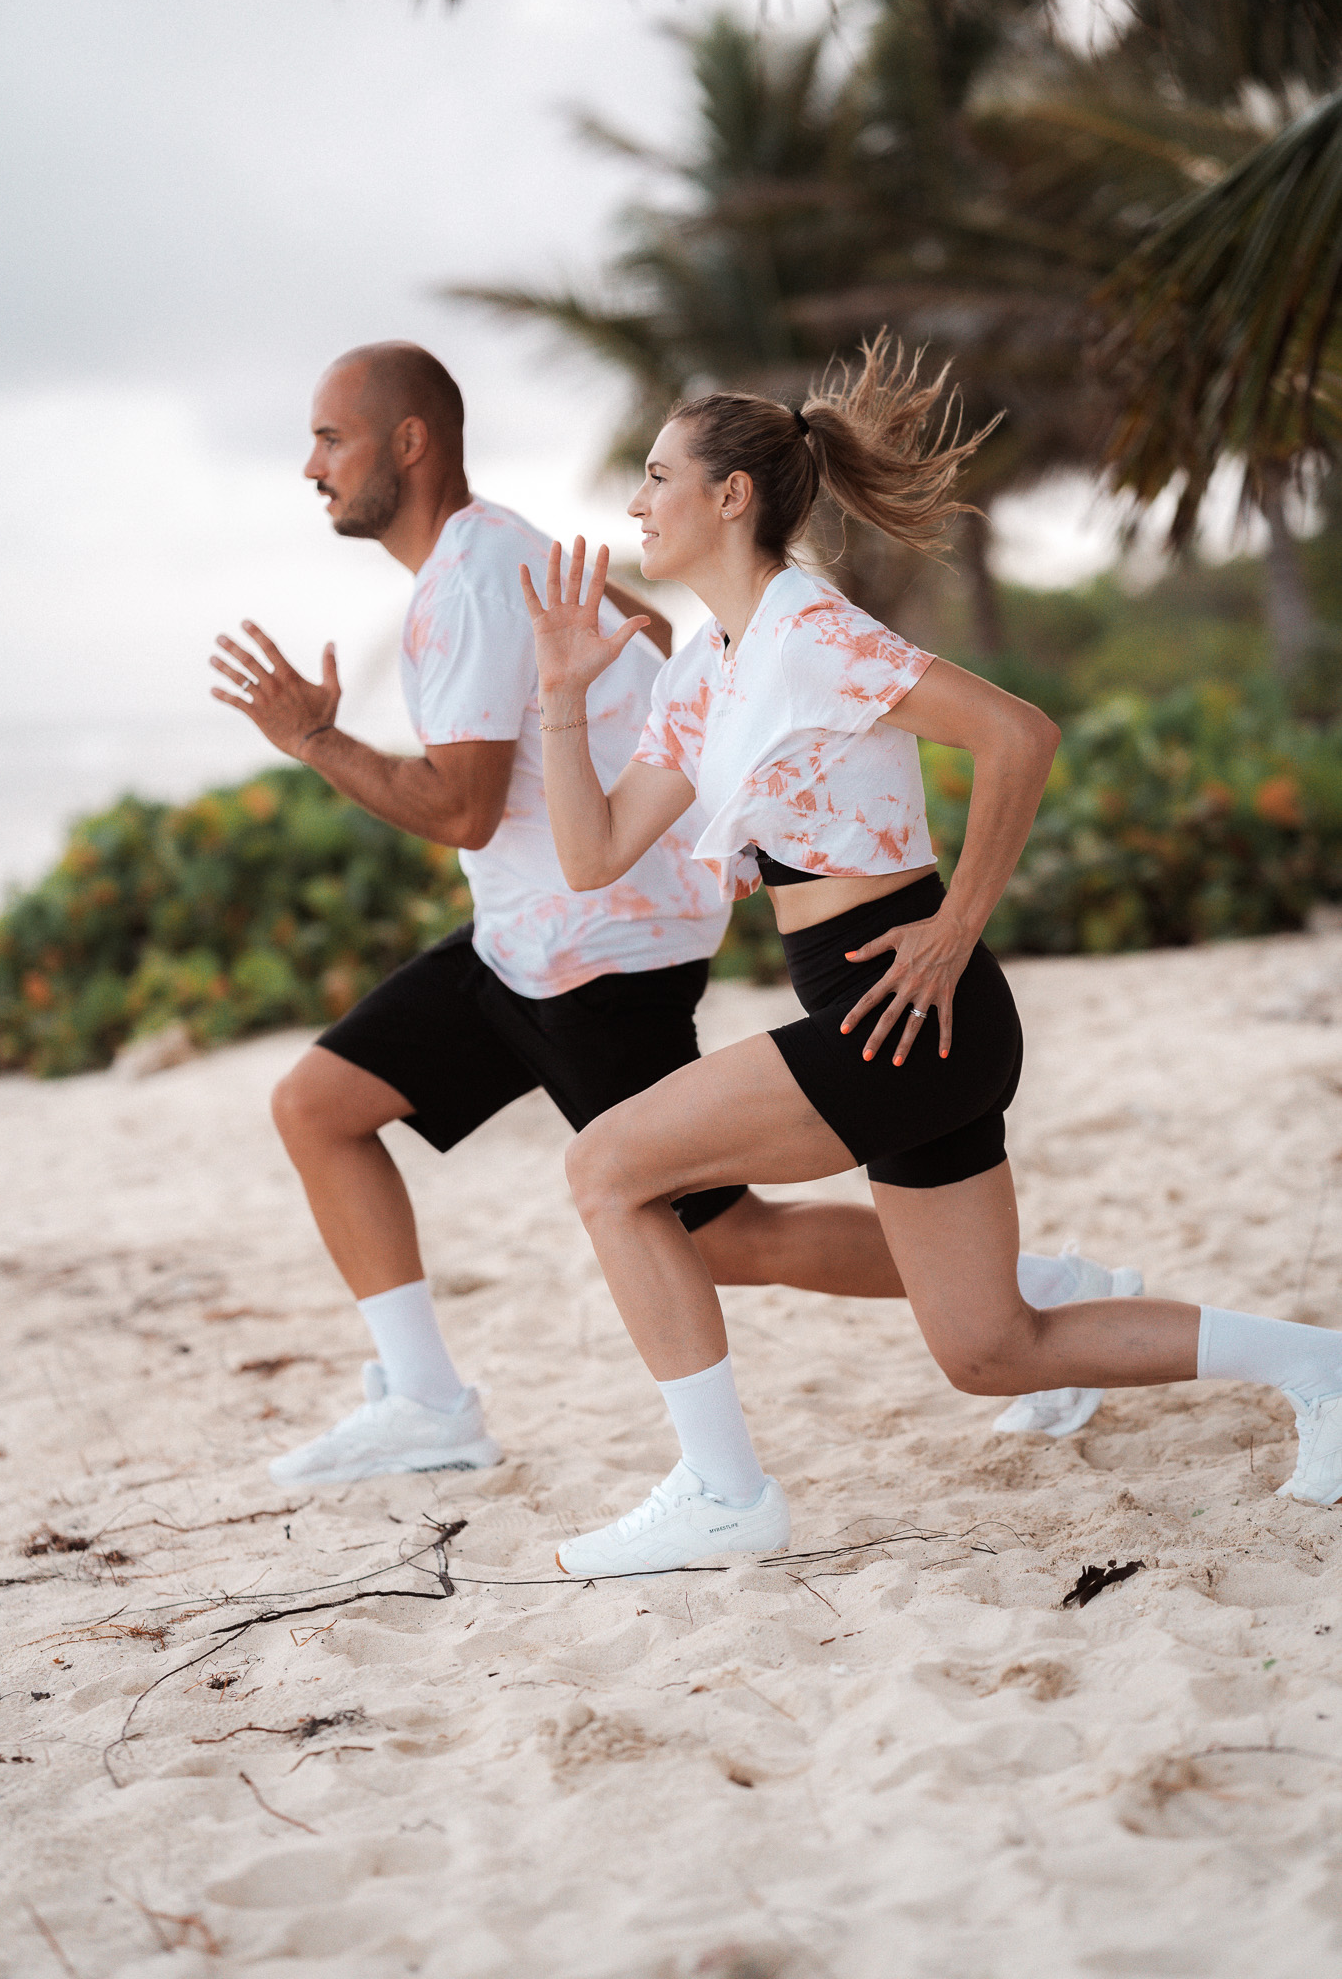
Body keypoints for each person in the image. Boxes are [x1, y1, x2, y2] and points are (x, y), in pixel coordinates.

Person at [208, 339, 1133, 1489]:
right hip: (527, 938)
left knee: (723, 1233)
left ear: (411, 441)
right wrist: (622, 686)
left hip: (600, 953)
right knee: (321, 1103)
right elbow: (656, 657)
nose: (311, 465)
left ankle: (1027, 1301)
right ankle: (430, 1401)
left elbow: (460, 804)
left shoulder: (486, 579)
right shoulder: (512, 564)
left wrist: (312, 739)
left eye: (329, 438)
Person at [523, 334, 1342, 1577]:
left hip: (901, 996)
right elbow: (593, 856)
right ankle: (1320, 1366)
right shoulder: (710, 667)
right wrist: (566, 695)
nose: (634, 502)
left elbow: (1018, 734)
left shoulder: (812, 635)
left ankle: (723, 1491)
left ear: (729, 495)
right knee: (991, 1348)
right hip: (900, 1016)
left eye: (654, 475)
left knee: (607, 1167)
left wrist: (959, 922)